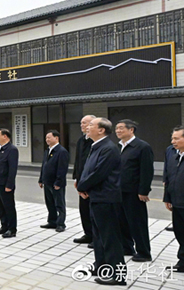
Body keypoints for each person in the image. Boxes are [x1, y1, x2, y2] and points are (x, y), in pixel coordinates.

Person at [77, 118, 125, 285]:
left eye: (91, 125)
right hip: (96, 196)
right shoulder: (96, 146)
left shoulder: (109, 149)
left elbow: (99, 173)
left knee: (110, 237)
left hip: (106, 198)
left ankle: (118, 275)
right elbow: (87, 170)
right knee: (98, 236)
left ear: (102, 130)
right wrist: (84, 187)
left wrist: (83, 186)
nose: (87, 128)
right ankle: (101, 266)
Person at [115, 119, 154, 262]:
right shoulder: (118, 147)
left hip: (134, 192)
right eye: (116, 128)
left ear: (131, 130)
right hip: (119, 191)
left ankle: (144, 251)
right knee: (122, 221)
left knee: (137, 222)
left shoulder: (142, 147)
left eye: (121, 128)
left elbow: (147, 171)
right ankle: (127, 247)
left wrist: (143, 191)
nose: (118, 131)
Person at [38, 130, 69, 232]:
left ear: (56, 138)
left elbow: (62, 169)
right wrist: (41, 179)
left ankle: (61, 224)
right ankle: (52, 221)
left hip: (56, 183)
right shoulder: (47, 150)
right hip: (47, 182)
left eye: (49, 137)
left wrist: (58, 182)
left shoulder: (62, 151)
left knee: (59, 204)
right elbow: (44, 166)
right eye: (46, 138)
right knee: (49, 203)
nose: (47, 140)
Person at [0, 128, 19, 238]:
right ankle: (4, 226)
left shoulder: (12, 150)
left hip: (5, 184)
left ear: (5, 136)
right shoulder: (0, 149)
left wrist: (9, 185)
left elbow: (12, 169)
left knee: (9, 206)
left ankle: (12, 229)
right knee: (0, 206)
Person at [72, 114, 96, 245]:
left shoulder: (96, 141)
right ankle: (88, 233)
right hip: (81, 180)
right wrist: (76, 177)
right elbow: (77, 161)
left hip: (92, 181)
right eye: (81, 123)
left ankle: (96, 236)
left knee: (93, 210)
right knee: (84, 209)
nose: (82, 125)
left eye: (85, 123)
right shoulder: (81, 141)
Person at [164, 126, 184, 272]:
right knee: (180, 233)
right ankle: (182, 262)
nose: (173, 141)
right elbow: (168, 178)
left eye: (177, 138)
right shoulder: (173, 154)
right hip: (177, 202)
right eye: (172, 138)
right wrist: (167, 198)